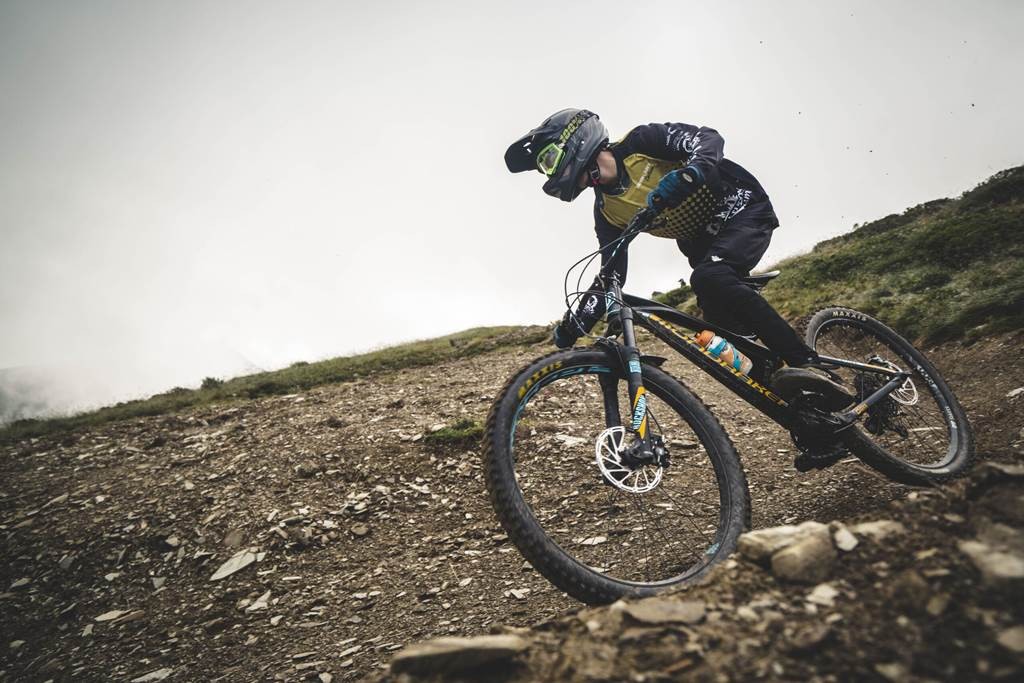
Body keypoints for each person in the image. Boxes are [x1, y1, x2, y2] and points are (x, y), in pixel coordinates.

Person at [504, 108, 847, 399]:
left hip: (742, 209)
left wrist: (690, 172)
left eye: (549, 161)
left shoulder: (641, 143)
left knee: (709, 277)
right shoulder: (607, 212)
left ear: (576, 139)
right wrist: (576, 323)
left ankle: (808, 364)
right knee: (721, 338)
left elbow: (707, 139)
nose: (551, 172)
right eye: (545, 170)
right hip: (705, 248)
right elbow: (612, 275)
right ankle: (804, 408)